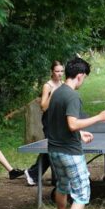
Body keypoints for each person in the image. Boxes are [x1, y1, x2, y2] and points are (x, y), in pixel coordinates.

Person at [47, 56, 105, 209]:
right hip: (70, 153)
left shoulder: (56, 92)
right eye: (84, 77)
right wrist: (99, 117)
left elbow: (59, 122)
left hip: (54, 150)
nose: (83, 80)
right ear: (80, 75)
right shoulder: (72, 96)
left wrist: (79, 133)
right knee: (82, 193)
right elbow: (72, 123)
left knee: (62, 185)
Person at [30, 60, 65, 188]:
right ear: (52, 72)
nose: (59, 74)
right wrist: (53, 94)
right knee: (52, 148)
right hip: (49, 120)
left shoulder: (63, 84)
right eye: (57, 71)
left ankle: (33, 173)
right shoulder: (47, 86)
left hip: (60, 120)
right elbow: (43, 106)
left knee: (53, 149)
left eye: (61, 71)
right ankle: (36, 174)